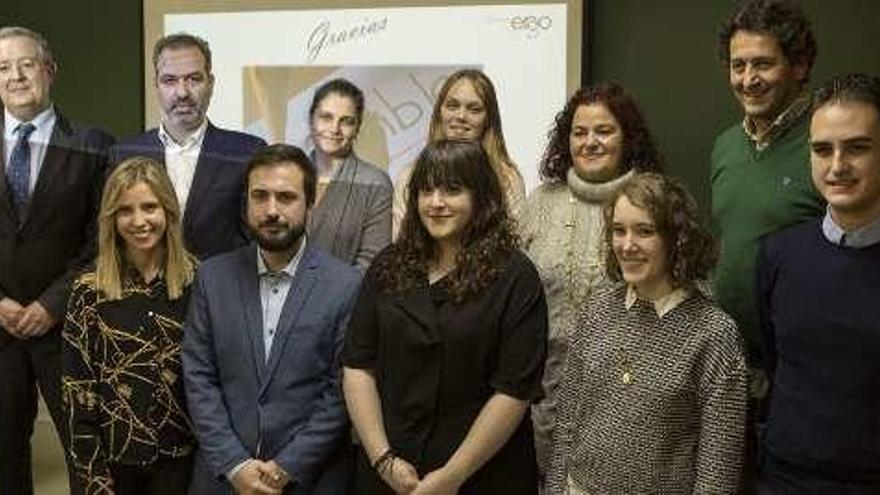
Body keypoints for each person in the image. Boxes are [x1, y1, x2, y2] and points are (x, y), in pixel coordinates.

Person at [343, 140, 548, 494]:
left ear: (481, 197)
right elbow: (358, 365)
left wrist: (452, 477)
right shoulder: (388, 265)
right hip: (391, 475)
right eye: (426, 190)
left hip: (483, 474)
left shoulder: (517, 276)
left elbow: (513, 391)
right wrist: (383, 460)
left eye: (452, 190)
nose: (436, 203)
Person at [548, 173, 747, 494]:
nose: (627, 245)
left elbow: (717, 471)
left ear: (676, 238)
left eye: (644, 231)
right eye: (618, 230)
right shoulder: (597, 308)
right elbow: (569, 417)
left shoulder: (714, 334)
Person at [183, 144, 361, 494]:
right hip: (224, 477)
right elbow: (198, 376)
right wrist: (236, 464)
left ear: (311, 203)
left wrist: (286, 467)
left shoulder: (346, 285)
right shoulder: (212, 277)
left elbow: (340, 391)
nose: (272, 210)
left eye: (286, 197)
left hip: (311, 478)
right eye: (260, 196)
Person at [520, 82, 662, 475]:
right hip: (540, 395)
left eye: (604, 131)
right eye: (579, 132)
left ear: (627, 137)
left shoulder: (656, 202)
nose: (590, 142)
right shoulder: (539, 203)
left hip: (626, 395)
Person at [0, 26, 115, 494]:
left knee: (86, 453)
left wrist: (52, 303)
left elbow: (103, 239)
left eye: (26, 63)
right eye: (3, 68)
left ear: (49, 70)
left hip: (68, 327)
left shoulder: (94, 144)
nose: (15, 76)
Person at [756, 73, 880, 493]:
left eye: (857, 148)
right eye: (822, 150)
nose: (837, 165)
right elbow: (777, 356)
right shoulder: (779, 254)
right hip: (784, 476)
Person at [62, 157, 197, 494]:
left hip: (183, 459)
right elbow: (77, 390)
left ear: (168, 210)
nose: (139, 221)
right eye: (125, 210)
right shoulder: (88, 290)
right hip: (113, 463)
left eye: (150, 207)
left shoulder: (201, 283)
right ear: (111, 218)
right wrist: (93, 475)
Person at [712, 0, 823, 377]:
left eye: (763, 63)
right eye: (738, 65)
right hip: (733, 363)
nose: (748, 79)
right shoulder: (725, 146)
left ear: (799, 66)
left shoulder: (827, 144)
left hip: (804, 364)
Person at [110, 33, 265, 260]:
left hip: (221, 292)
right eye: (170, 80)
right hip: (142, 291)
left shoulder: (249, 153)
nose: (182, 93)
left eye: (194, 79)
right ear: (157, 86)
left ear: (210, 84)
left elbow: (258, 240)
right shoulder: (122, 155)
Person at [392, 69, 525, 236]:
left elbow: (514, 244)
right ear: (439, 112)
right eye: (452, 106)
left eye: (474, 109)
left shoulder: (507, 179)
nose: (461, 116)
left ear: (488, 119)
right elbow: (402, 244)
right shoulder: (410, 175)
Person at [307, 78, 393, 270]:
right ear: (311, 120)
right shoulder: (287, 176)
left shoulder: (376, 184)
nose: (335, 129)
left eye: (346, 121)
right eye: (326, 117)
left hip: (343, 298)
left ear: (357, 128)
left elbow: (372, 263)